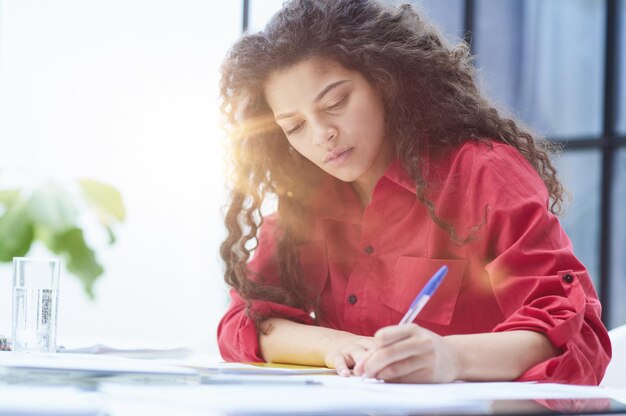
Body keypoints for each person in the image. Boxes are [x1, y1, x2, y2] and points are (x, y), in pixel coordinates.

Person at [216, 0, 611, 385]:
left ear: (384, 81)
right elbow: (243, 322)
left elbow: (577, 337)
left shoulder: (481, 174)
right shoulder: (306, 203)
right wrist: (334, 344)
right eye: (295, 127)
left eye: (336, 102)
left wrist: (450, 358)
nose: (322, 136)